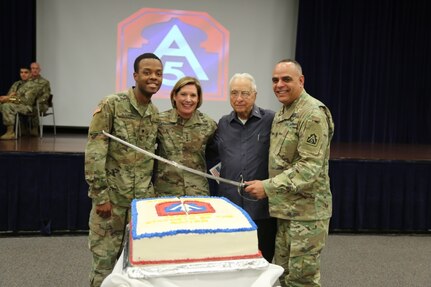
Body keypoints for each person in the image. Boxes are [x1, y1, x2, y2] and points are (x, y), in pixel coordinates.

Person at [244, 59, 334, 287]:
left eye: (286, 79)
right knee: (284, 277)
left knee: (301, 281)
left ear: (301, 81)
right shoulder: (284, 112)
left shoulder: (312, 113)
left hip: (306, 215)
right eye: (275, 80)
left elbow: (309, 168)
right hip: (285, 211)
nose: (279, 85)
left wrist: (267, 187)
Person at [84, 53, 163, 287]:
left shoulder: (154, 113)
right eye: (147, 72)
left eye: (158, 74)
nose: (153, 78)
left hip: (140, 208)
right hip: (112, 204)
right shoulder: (112, 104)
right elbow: (95, 152)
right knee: (104, 267)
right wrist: (100, 196)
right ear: (135, 75)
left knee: (135, 270)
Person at [211, 73, 277, 263]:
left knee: (262, 262)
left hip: (261, 209)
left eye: (245, 93)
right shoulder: (223, 124)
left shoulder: (271, 120)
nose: (239, 98)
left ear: (255, 95)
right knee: (230, 262)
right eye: (234, 93)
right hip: (230, 208)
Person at [153, 76, 217, 197]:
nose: (188, 99)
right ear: (174, 96)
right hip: (165, 193)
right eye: (183, 94)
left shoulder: (209, 125)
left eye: (193, 95)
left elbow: (215, 157)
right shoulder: (159, 121)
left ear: (198, 99)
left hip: (198, 193)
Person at [0, 66, 36, 140]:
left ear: (30, 74)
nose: (23, 74)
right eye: (21, 72)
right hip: (16, 104)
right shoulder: (17, 84)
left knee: (7, 106)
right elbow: (8, 96)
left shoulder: (33, 85)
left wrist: (9, 98)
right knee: (3, 104)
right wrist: (5, 98)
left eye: (26, 72)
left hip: (27, 107)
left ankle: (10, 132)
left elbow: (27, 100)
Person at [27, 62, 51, 136]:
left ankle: (35, 128)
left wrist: (37, 101)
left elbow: (46, 95)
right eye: (33, 68)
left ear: (39, 70)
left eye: (36, 68)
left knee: (34, 107)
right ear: (30, 70)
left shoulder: (44, 82)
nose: (35, 70)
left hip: (41, 104)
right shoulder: (27, 81)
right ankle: (23, 128)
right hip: (28, 103)